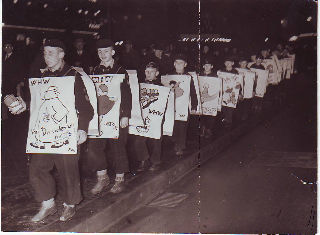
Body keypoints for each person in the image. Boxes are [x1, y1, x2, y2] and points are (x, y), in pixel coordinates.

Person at [8, 39, 94, 222]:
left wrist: (82, 129)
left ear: (62, 54)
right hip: (45, 133)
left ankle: (70, 205)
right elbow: (39, 104)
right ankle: (48, 204)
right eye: (45, 53)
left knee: (68, 170)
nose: (46, 57)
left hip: (66, 131)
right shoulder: (42, 77)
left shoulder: (74, 76)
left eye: (51, 53)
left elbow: (86, 108)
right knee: (36, 168)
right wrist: (25, 104)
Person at [87, 39, 132, 195]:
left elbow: (127, 94)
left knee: (117, 147)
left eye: (106, 51)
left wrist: (125, 115)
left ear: (113, 52)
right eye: (100, 51)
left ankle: (119, 179)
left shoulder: (121, 70)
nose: (102, 54)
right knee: (93, 148)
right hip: (99, 115)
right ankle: (102, 177)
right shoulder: (94, 71)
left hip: (117, 115)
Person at [135, 62, 163, 172]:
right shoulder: (140, 85)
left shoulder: (161, 87)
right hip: (143, 117)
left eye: (152, 72)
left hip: (156, 118)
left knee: (156, 140)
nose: (149, 74)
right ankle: (144, 160)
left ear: (157, 73)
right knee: (138, 140)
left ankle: (156, 162)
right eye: (147, 71)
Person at [168, 53, 198, 156]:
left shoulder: (188, 77)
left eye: (181, 63)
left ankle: (180, 146)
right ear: (174, 64)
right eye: (177, 63)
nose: (179, 65)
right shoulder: (168, 76)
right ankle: (175, 141)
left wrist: (194, 106)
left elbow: (193, 93)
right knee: (174, 125)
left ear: (185, 64)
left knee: (182, 126)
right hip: (172, 106)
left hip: (184, 106)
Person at [218, 56, 240, 130]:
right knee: (223, 106)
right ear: (224, 63)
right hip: (223, 92)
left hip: (232, 92)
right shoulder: (221, 71)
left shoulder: (236, 72)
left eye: (229, 62)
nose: (228, 63)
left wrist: (239, 92)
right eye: (226, 62)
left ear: (233, 63)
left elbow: (239, 83)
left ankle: (228, 122)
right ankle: (226, 118)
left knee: (230, 106)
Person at [199, 57, 218, 138]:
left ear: (212, 66)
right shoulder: (199, 75)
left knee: (211, 114)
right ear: (203, 66)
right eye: (205, 65)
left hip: (211, 98)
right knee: (202, 114)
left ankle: (209, 129)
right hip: (202, 98)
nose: (207, 67)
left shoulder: (215, 76)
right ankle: (202, 129)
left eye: (209, 65)